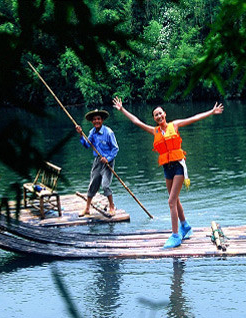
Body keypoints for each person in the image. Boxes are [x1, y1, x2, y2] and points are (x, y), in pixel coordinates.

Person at [113, 96, 224, 248]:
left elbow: (194, 118)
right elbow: (136, 122)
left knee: (171, 201)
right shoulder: (154, 131)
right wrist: (122, 109)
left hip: (178, 165)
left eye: (160, 113)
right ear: (154, 118)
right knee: (175, 199)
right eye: (155, 115)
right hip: (167, 168)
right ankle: (185, 226)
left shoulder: (175, 125)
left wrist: (211, 112)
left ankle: (175, 236)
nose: (158, 116)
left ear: (164, 114)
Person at [76, 109, 119, 216]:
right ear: (92, 121)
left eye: (98, 119)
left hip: (107, 163)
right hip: (97, 162)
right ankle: (87, 208)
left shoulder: (108, 132)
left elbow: (115, 149)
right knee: (93, 184)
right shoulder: (92, 132)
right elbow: (87, 145)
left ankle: (111, 206)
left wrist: (108, 158)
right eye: (94, 119)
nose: (96, 121)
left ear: (102, 120)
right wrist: (81, 134)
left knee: (105, 185)